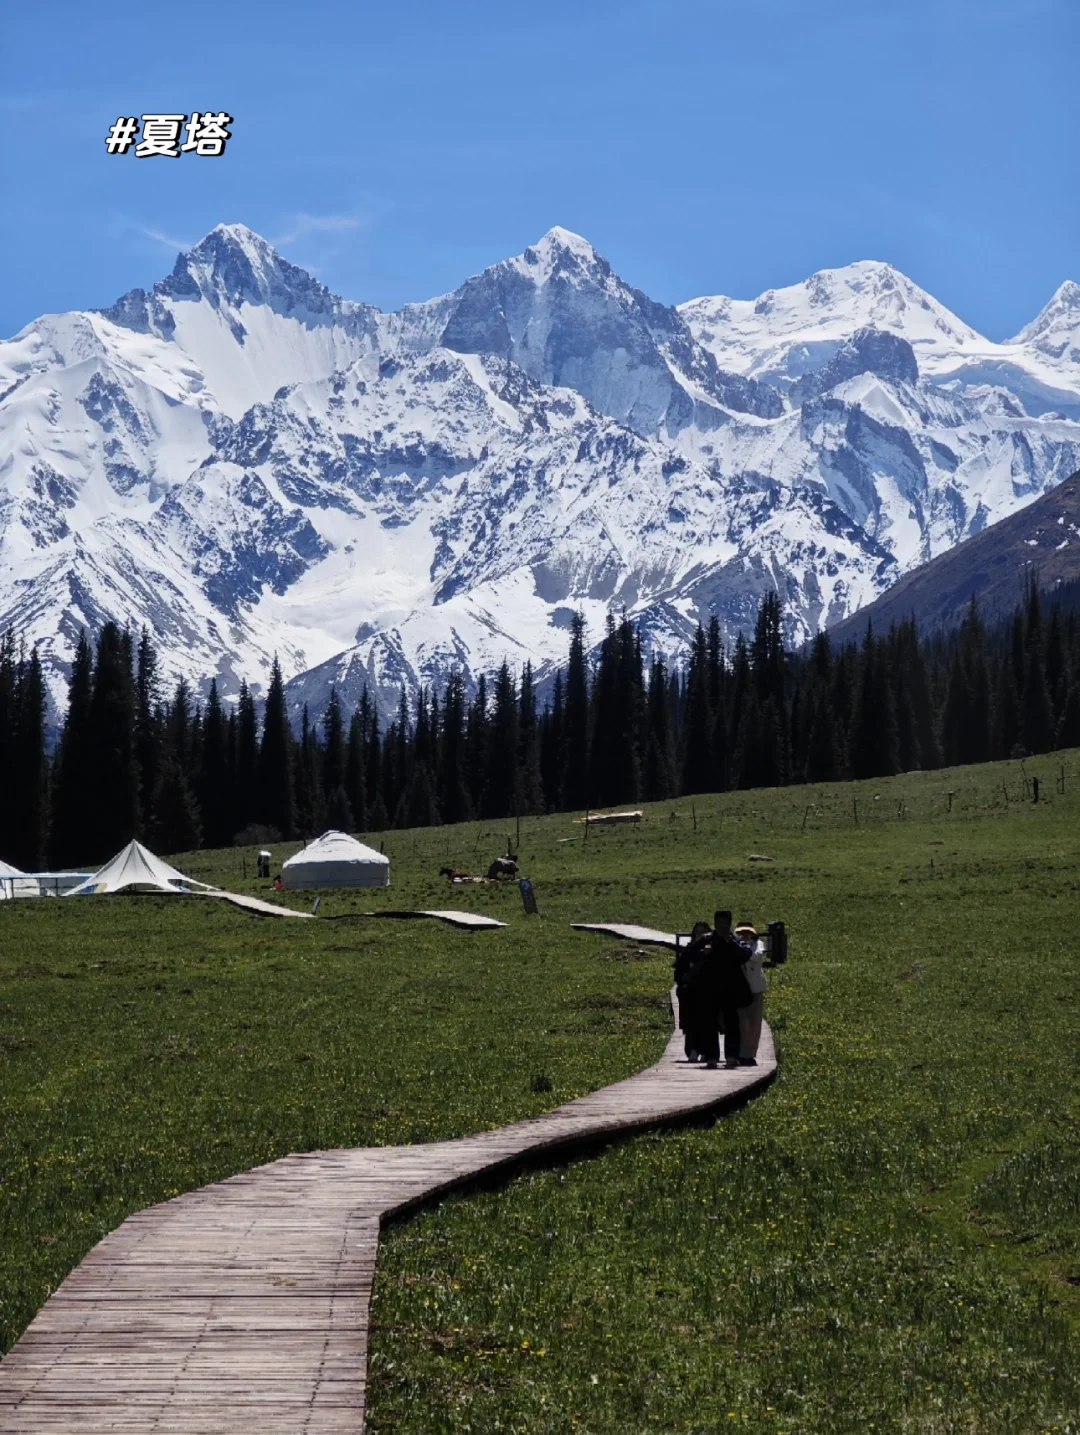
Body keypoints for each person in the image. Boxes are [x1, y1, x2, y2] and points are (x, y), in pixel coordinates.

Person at [712, 910, 753, 1069]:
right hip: (712, 987)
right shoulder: (708, 939)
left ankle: (731, 1056)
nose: (721, 927)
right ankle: (711, 1056)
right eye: (718, 923)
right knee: (711, 1023)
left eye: (725, 924)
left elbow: (746, 955)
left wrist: (731, 944)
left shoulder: (736, 940)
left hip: (731, 989)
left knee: (732, 1024)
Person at [674, 921, 713, 1061]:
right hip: (690, 991)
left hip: (708, 992)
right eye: (697, 932)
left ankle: (705, 1051)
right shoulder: (689, 949)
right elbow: (678, 970)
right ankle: (692, 1050)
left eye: (703, 932)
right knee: (691, 1023)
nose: (700, 935)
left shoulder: (713, 949)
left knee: (707, 1023)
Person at [734, 923, 768, 1066]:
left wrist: (743, 951)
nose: (745, 936)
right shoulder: (736, 945)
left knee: (754, 1022)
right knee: (742, 1022)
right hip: (740, 989)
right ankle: (742, 1053)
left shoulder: (758, 944)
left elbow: (756, 957)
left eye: (748, 933)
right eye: (741, 933)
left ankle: (751, 1053)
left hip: (755, 988)